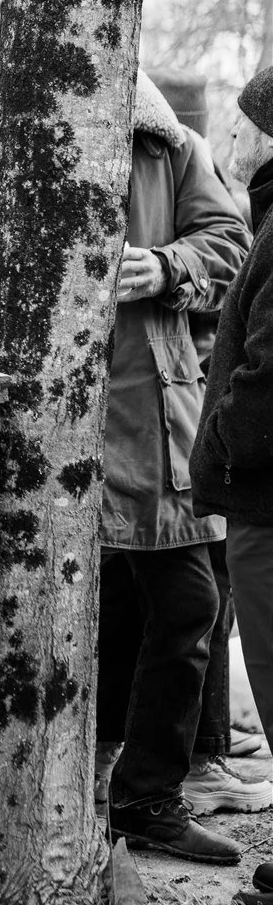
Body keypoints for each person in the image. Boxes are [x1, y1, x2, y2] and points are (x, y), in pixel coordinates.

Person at [0, 65, 248, 863]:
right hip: (31, 430)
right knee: (59, 619)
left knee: (187, 607)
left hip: (148, 420)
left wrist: (168, 266)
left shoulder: (170, 149)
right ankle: (75, 789)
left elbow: (231, 245)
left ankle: (146, 799)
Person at [149, 72, 267, 812]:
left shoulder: (182, 162)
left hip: (210, 435)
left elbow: (226, 252)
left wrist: (170, 268)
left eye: (241, 126)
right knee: (198, 600)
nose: (226, 137)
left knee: (207, 597)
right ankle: (196, 757)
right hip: (202, 436)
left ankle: (204, 755)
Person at [192, 67, 273, 779]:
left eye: (241, 124)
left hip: (265, 502)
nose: (230, 135)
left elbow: (268, 374)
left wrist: (220, 443)